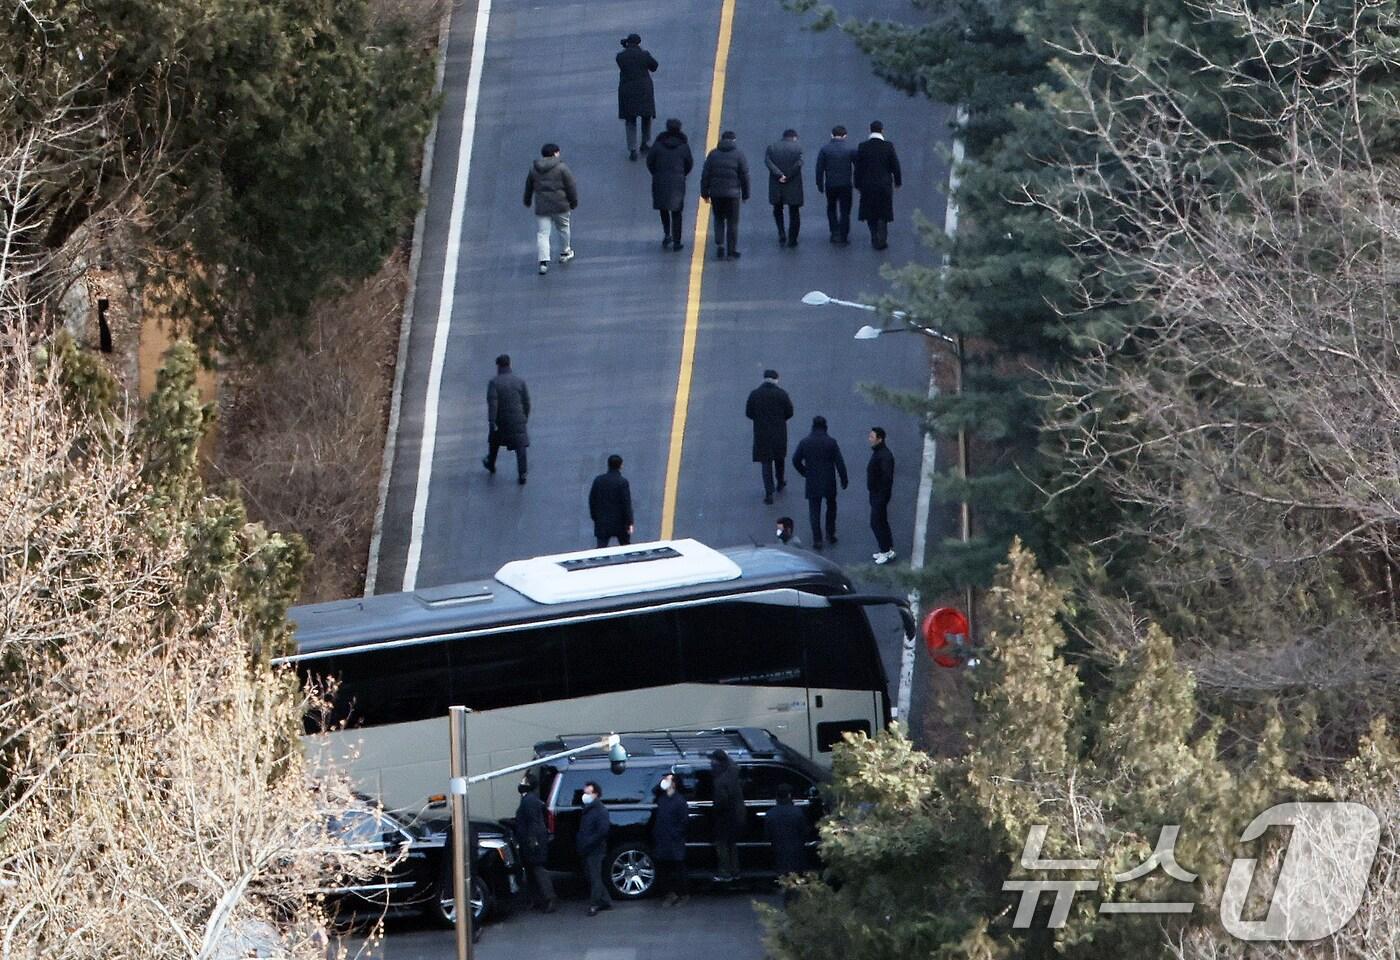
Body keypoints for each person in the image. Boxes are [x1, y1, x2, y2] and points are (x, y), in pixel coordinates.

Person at [792, 415, 848, 550]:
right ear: (825, 427)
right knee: (831, 506)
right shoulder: (831, 442)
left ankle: (817, 539)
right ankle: (830, 533)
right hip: (829, 480)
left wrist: (805, 472)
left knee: (814, 510)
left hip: (812, 480)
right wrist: (843, 479)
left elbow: (795, 460)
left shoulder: (805, 442)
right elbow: (839, 462)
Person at [523, 143, 577, 275]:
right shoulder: (562, 168)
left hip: (542, 206)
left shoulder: (534, 169)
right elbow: (571, 186)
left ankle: (543, 262)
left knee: (543, 233)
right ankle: (565, 251)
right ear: (556, 153)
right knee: (563, 228)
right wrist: (573, 202)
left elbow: (529, 186)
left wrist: (527, 200)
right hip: (561, 205)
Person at [745, 369, 794, 504]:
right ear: (776, 380)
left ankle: (769, 492)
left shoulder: (755, 394)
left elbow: (749, 413)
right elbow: (789, 412)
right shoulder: (781, 394)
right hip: (779, 432)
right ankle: (780, 482)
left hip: (762, 433)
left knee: (765, 462)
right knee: (779, 458)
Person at [700, 130, 750, 261]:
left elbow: (705, 175)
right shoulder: (739, 155)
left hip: (716, 194)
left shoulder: (713, 154)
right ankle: (731, 251)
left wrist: (704, 193)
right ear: (734, 140)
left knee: (718, 219)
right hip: (733, 195)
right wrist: (745, 194)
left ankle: (720, 244)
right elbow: (744, 176)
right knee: (732, 222)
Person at [854, 120, 902, 250]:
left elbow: (858, 168)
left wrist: (857, 184)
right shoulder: (888, 146)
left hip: (867, 184)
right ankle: (882, 238)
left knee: (870, 212)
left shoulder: (862, 147)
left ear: (870, 130)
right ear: (882, 130)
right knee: (883, 211)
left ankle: (874, 236)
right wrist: (898, 182)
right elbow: (895, 166)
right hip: (884, 184)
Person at [647, 118, 693, 251]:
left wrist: (656, 173)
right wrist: (682, 174)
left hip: (660, 181)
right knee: (677, 211)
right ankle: (677, 241)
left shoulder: (658, 144)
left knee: (663, 209)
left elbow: (650, 161)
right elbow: (689, 164)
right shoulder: (683, 146)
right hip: (677, 182)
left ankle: (667, 233)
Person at [482, 354, 530, 483]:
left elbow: (493, 404)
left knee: (494, 440)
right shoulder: (520, 382)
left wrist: (492, 422)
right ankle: (523, 473)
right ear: (509, 365)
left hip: (502, 421)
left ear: (498, 366)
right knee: (520, 446)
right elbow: (526, 402)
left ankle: (491, 462)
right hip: (518, 419)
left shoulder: (494, 383)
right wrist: (524, 417)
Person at [513, 775, 557, 912]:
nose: (521, 783)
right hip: (531, 840)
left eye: (523, 781)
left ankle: (549, 898)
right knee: (532, 871)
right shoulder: (529, 799)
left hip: (533, 841)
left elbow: (533, 822)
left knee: (538, 870)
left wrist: (533, 840)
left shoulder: (529, 800)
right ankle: (538, 899)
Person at [764, 783, 811, 904]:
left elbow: (768, 835)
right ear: (790, 796)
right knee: (797, 879)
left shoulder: (770, 814)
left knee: (784, 878)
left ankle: (789, 902)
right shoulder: (798, 813)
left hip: (779, 851)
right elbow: (804, 832)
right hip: (797, 850)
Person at [616, 34, 658, 161]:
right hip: (644, 89)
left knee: (630, 120)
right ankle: (645, 143)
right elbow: (654, 66)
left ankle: (632, 149)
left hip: (627, 90)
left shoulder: (621, 57)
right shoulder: (644, 55)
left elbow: (624, 62)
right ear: (639, 43)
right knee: (646, 117)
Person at [651, 773, 689, 906]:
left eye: (667, 779)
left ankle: (683, 894)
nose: (664, 781)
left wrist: (676, 834)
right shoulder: (661, 799)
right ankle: (669, 894)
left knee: (679, 869)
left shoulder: (679, 800)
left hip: (674, 840)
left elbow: (684, 821)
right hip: (662, 838)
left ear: (674, 783)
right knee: (665, 870)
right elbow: (654, 790)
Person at [815, 125, 857, 244]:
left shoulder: (825, 149)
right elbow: (858, 165)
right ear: (845, 136)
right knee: (845, 210)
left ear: (832, 135)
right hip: (846, 184)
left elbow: (819, 168)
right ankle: (844, 235)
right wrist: (857, 182)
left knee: (831, 208)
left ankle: (834, 233)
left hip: (831, 184)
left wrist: (819, 184)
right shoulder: (850, 149)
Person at [576, 781, 612, 916]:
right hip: (588, 848)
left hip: (595, 850)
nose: (584, 795)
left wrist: (588, 843)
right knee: (592, 876)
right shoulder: (588, 809)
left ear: (595, 794)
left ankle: (595, 904)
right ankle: (606, 901)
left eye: (588, 793)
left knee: (595, 877)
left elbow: (602, 831)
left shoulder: (600, 810)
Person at [709, 750, 745, 882]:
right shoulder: (733, 773)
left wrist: (715, 809)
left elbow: (720, 802)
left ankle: (725, 873)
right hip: (736, 816)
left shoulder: (720, 781)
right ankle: (735, 871)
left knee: (722, 846)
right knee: (732, 845)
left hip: (724, 818)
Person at [765, 129, 803, 247]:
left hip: (777, 183)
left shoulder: (772, 147)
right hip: (793, 183)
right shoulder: (798, 148)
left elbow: (768, 162)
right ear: (794, 137)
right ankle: (792, 238)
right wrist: (788, 176)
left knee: (777, 208)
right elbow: (799, 163)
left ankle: (781, 232)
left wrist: (779, 175)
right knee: (794, 211)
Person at [588, 454, 634, 547]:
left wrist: (595, 517)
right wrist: (630, 522)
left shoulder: (598, 480)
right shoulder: (622, 482)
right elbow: (626, 504)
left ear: (608, 465)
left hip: (602, 522)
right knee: (626, 547)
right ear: (621, 466)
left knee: (601, 549)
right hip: (620, 523)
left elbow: (592, 500)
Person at [867, 426, 895, 563]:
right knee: (881, 520)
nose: (870, 439)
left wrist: (879, 493)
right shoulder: (881, 453)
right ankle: (887, 549)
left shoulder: (883, 456)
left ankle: (885, 550)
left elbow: (886, 477)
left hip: (879, 495)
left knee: (876, 522)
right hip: (878, 494)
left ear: (880, 439)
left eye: (872, 437)